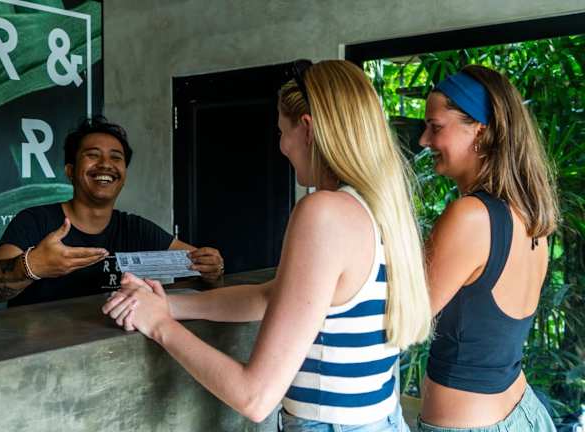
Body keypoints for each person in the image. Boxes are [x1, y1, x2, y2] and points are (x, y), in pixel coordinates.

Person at [103, 60, 431, 431]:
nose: (281, 146)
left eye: (281, 131)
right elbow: (269, 297)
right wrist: (170, 305)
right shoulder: (379, 209)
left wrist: (160, 324)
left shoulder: (324, 212)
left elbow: (255, 396)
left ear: (307, 128)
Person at [417, 65, 559, 431]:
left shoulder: (471, 217)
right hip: (523, 412)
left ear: (480, 130)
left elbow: (408, 319)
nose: (424, 140)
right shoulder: (530, 216)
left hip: (473, 423)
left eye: (435, 127)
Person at [0, 116, 224, 307]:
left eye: (116, 158)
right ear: (70, 171)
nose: (106, 164)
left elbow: (198, 266)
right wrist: (32, 265)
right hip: (39, 353)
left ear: (123, 174)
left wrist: (212, 269)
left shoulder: (134, 228)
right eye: (93, 155)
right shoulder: (34, 221)